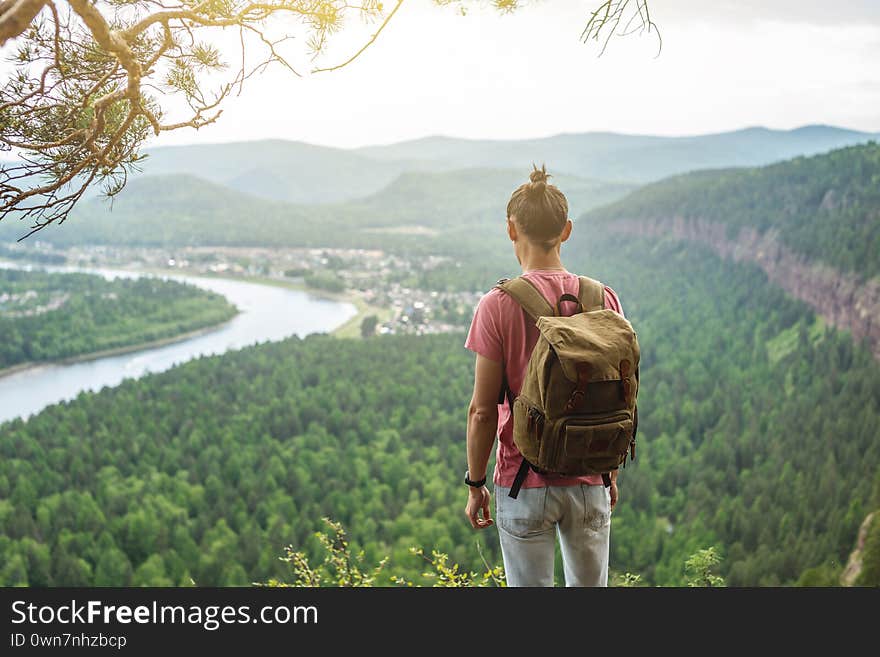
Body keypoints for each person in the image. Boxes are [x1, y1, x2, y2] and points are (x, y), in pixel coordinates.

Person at [463, 165, 625, 587]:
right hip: (590, 476)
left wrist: (476, 483)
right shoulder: (602, 298)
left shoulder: (497, 305)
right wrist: (609, 474)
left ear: (511, 229)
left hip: (522, 479)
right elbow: (619, 392)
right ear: (566, 230)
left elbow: (481, 411)